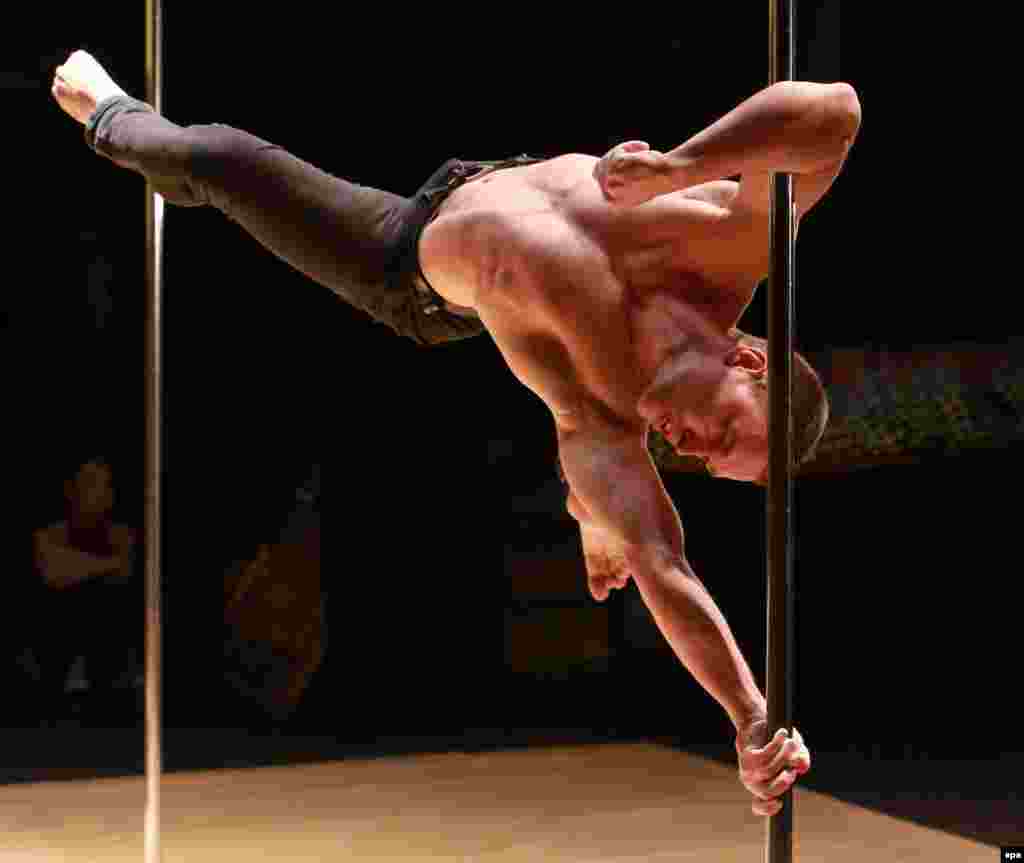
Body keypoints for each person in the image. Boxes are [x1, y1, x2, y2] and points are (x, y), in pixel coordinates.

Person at [52, 49, 862, 815]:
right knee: (592, 449)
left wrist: (751, 715)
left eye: (708, 461)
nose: (693, 450)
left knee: (217, 160)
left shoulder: (609, 422)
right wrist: (681, 165)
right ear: (751, 361)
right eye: (724, 432)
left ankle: (109, 114)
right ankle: (593, 516)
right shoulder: (731, 242)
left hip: (414, 270)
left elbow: (668, 566)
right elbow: (834, 115)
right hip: (489, 186)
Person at [32, 453, 142, 721]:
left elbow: (124, 570)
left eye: (104, 485)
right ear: (72, 489)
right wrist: (105, 565)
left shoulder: (120, 534)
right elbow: (53, 571)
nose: (97, 493)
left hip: (108, 661)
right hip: (55, 654)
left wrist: (78, 565)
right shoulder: (51, 533)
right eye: (90, 483)